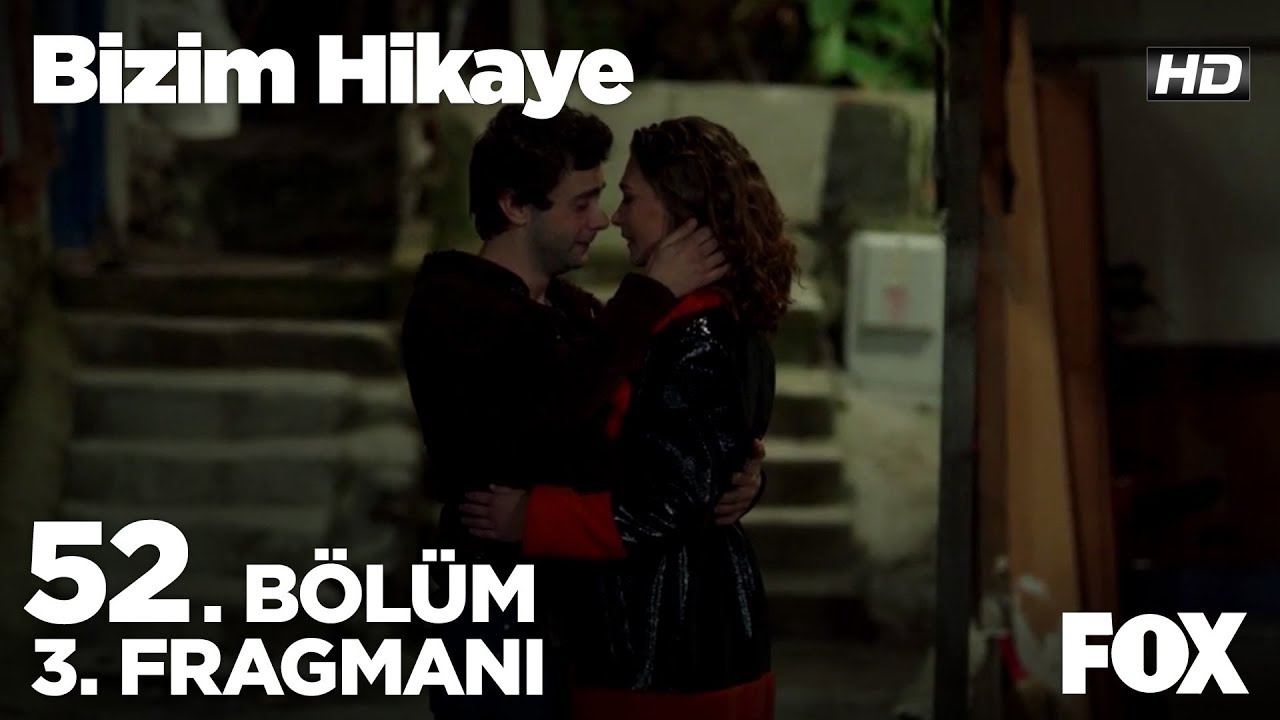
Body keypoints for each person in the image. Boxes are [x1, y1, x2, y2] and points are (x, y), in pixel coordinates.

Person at [398, 105, 767, 720]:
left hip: (581, 609)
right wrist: (648, 294)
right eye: (581, 203)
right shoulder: (455, 309)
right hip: (493, 607)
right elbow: (547, 417)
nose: (601, 220)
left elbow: (643, 440)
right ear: (515, 205)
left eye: (603, 198)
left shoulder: (572, 313)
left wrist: (729, 471)